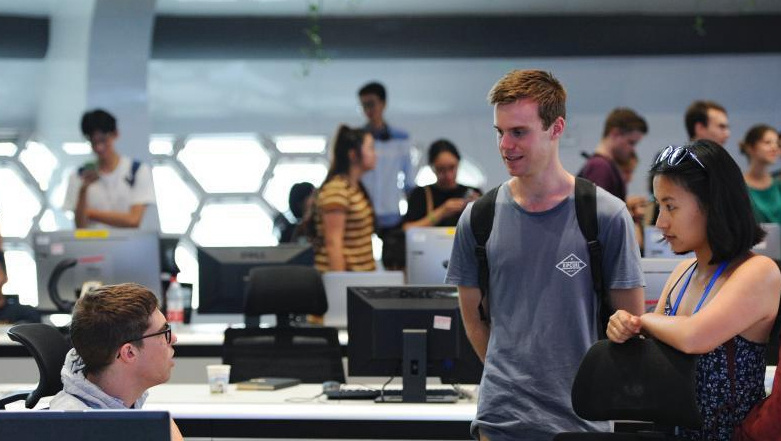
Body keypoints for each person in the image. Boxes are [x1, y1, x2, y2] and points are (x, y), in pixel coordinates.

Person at [445, 69, 644, 440]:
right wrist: (509, 380)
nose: (506, 145)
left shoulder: (605, 215)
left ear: (556, 128)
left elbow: (630, 322)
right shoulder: (479, 218)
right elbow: (474, 319)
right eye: (500, 132)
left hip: (582, 421)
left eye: (519, 132)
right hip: (501, 421)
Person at [608, 140, 780, 439]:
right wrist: (624, 327)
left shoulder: (758, 272)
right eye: (659, 206)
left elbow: (693, 337)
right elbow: (653, 352)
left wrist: (641, 320)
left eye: (671, 206)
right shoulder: (682, 274)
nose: (660, 222)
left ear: (713, 204)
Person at [49, 283, 183, 441]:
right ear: (129, 352)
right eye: (164, 332)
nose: (173, 338)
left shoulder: (121, 407)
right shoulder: (75, 430)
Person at [63, 109, 158, 230]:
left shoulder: (137, 171)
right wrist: (83, 190)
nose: (99, 147)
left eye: (103, 140)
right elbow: (80, 226)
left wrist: (90, 213)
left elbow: (134, 220)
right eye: (93, 142)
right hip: (92, 242)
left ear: (115, 134)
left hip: (128, 242)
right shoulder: (79, 176)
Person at [357, 82, 415, 268]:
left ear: (383, 103)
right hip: (363, 211)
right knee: (360, 263)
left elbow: (409, 181)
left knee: (393, 264)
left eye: (371, 104)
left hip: (391, 213)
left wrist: (411, 215)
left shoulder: (401, 138)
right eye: (364, 105)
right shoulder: (357, 138)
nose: (368, 110)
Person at [313, 125, 376, 272]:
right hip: (346, 279)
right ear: (353, 155)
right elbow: (333, 243)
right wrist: (339, 282)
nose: (375, 154)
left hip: (359, 278)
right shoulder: (337, 190)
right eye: (371, 148)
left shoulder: (355, 188)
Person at [403, 139, 481, 230]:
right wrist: (442, 212)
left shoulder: (473, 193)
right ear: (432, 168)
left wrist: (479, 210)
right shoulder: (421, 194)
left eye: (452, 167)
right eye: (441, 170)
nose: (448, 176)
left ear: (458, 163)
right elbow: (407, 229)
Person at [577, 107, 648, 201]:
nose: (633, 149)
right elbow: (596, 209)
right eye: (631, 142)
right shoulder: (599, 167)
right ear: (615, 133)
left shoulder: (605, 166)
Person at [740, 124, 781, 223]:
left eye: (777, 143)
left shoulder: (778, 185)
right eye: (767, 143)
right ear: (750, 148)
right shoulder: (737, 186)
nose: (774, 148)